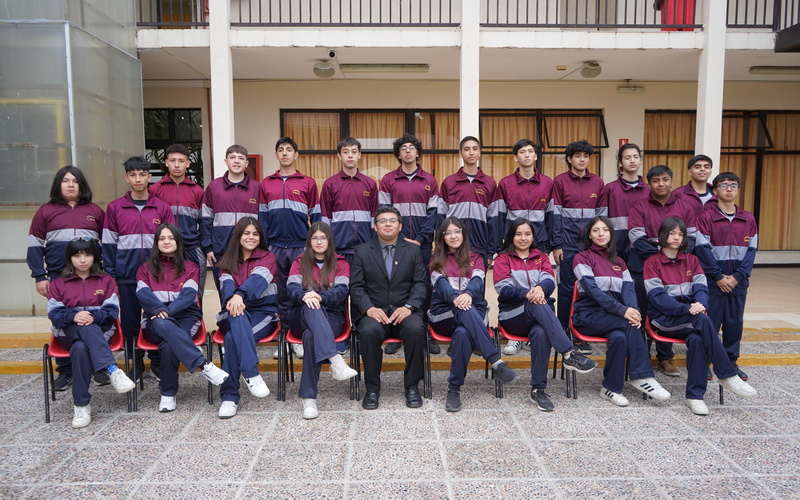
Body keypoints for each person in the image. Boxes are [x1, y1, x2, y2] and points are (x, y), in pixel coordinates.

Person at [644, 217, 757, 415]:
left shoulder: (692, 260)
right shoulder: (652, 263)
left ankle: (695, 397)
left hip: (690, 318)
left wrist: (701, 305)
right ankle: (726, 373)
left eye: (681, 234)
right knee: (703, 320)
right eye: (672, 233)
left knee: (697, 338)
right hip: (663, 320)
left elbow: (702, 290)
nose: (677, 237)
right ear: (663, 235)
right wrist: (687, 309)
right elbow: (658, 299)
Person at [494, 218, 597, 412]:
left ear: (533, 236)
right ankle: (569, 353)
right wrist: (527, 293)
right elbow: (504, 289)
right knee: (537, 304)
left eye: (527, 234)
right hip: (512, 316)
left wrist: (540, 288)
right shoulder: (503, 259)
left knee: (541, 333)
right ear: (511, 237)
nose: (523, 238)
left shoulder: (541, 257)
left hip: (539, 315)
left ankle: (538, 390)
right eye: (518, 234)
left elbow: (549, 281)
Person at [572, 216, 670, 406]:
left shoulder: (620, 262)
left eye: (605, 230)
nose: (601, 234)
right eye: (596, 230)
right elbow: (593, 291)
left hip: (615, 317)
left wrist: (634, 311)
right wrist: (623, 311)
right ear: (589, 235)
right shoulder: (581, 259)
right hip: (589, 316)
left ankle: (610, 388)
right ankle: (642, 376)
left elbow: (628, 290)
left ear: (611, 234)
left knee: (620, 337)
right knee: (628, 324)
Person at [135, 223, 229, 413]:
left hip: (186, 317)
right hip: (154, 319)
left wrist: (167, 311)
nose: (166, 242)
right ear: (156, 242)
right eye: (162, 238)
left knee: (169, 345)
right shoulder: (144, 269)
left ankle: (168, 394)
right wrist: (159, 309)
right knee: (161, 324)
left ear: (178, 241)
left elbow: (188, 295)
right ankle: (203, 364)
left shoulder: (191, 267)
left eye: (171, 238)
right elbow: (143, 294)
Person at [428, 217, 519, 412]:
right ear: (442, 237)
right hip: (444, 314)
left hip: (473, 312)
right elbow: (442, 286)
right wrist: (456, 298)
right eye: (448, 233)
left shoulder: (476, 258)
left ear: (463, 234)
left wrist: (468, 295)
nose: (453, 236)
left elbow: (478, 282)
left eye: (457, 231)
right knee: (464, 310)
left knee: (462, 333)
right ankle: (495, 361)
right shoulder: (436, 260)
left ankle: (454, 389)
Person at [28, 166, 106, 390]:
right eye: (65, 181)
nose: (70, 185)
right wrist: (39, 276)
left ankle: (98, 367)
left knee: (93, 317)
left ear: (82, 185)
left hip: (92, 276)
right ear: (58, 184)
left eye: (75, 181)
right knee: (61, 320)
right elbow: (34, 245)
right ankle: (65, 370)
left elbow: (108, 244)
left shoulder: (95, 211)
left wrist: (106, 273)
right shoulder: (45, 212)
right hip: (58, 277)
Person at [47, 239, 135, 428]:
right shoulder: (58, 283)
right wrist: (74, 316)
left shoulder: (106, 281)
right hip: (68, 332)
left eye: (87, 255)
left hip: (101, 332)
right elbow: (54, 315)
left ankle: (81, 405)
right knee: (83, 330)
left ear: (94, 257)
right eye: (77, 255)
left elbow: (111, 312)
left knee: (80, 348)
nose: (82, 260)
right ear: (69, 258)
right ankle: (112, 369)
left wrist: (92, 317)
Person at [103, 156, 175, 380]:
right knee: (130, 323)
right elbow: (108, 244)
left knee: (156, 318)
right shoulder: (115, 208)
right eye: (133, 175)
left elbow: (171, 243)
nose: (138, 179)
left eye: (142, 174)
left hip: (157, 277)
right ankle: (135, 362)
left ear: (149, 177)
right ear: (126, 177)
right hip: (127, 275)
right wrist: (111, 276)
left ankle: (156, 362)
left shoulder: (161, 208)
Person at [350, 206, 428, 410]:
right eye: (382, 221)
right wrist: (369, 309)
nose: (387, 224)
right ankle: (372, 389)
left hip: (405, 312)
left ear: (400, 226)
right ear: (375, 227)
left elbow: (421, 283)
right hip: (375, 313)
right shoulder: (362, 251)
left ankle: (412, 386)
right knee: (368, 331)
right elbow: (356, 287)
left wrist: (409, 307)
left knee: (416, 330)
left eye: (392, 220)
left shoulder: (413, 250)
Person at [628, 165, 696, 377]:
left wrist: (672, 259)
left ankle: (665, 358)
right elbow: (637, 238)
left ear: (672, 182)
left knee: (669, 310)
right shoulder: (639, 207)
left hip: (675, 272)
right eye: (656, 180)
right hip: (642, 269)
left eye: (665, 179)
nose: (661, 184)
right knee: (640, 314)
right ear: (649, 184)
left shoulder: (685, 208)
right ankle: (641, 359)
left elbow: (691, 239)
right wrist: (661, 257)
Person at [287, 222, 358, 419]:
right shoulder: (299, 262)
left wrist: (320, 297)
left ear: (329, 240)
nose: (319, 242)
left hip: (332, 317)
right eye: (315, 238)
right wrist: (305, 296)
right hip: (301, 315)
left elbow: (342, 291)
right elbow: (292, 289)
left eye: (323, 238)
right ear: (309, 241)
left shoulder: (341, 263)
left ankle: (308, 399)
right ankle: (335, 359)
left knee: (311, 337)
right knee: (311, 307)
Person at [378, 134, 441, 355]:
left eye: (411, 147)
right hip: (396, 243)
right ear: (398, 153)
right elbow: (385, 212)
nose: (407, 151)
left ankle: (424, 331)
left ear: (417, 152)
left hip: (422, 245)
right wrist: (402, 237)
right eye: (403, 148)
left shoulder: (430, 181)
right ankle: (397, 331)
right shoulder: (388, 180)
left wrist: (420, 239)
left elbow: (434, 214)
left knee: (424, 286)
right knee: (397, 285)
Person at [259, 136, 320, 360]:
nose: (285, 153)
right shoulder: (266, 183)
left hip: (300, 248)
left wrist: (315, 246)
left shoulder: (307, 182)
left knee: (300, 293)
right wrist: (264, 248)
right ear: (276, 155)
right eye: (281, 150)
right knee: (280, 295)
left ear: (296, 155)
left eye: (289, 150)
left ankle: (299, 338)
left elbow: (317, 217)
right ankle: (284, 339)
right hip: (275, 248)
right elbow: (263, 219)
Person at [214, 217, 279, 419]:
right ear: (238, 236)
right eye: (246, 233)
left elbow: (257, 281)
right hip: (232, 312)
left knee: (232, 339)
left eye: (255, 234)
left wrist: (239, 295)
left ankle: (229, 397)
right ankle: (250, 372)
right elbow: (226, 288)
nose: (251, 237)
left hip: (263, 313)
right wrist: (234, 299)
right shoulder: (226, 261)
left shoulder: (267, 258)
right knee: (237, 313)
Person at [695, 172, 757, 381]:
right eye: (723, 185)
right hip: (713, 282)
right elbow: (702, 249)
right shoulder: (706, 217)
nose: (729, 189)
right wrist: (718, 276)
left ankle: (731, 363)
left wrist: (738, 276)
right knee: (709, 324)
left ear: (738, 189)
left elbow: (752, 251)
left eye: (733, 185)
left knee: (734, 324)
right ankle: (704, 363)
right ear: (715, 190)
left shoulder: (748, 218)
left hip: (738, 283)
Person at [320, 137, 377, 354]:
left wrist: (373, 248)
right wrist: (328, 249)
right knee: (339, 295)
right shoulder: (330, 184)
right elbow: (325, 220)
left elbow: (374, 220)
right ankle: (340, 337)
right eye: (346, 152)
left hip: (364, 250)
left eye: (354, 151)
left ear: (360, 155)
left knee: (363, 292)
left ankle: (362, 335)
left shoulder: (370, 184)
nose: (350, 155)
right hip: (339, 251)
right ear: (339, 155)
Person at [497, 139, 554, 355]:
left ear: (536, 156)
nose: (527, 155)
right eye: (522, 152)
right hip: (513, 245)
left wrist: (553, 243)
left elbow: (552, 216)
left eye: (531, 151)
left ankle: (532, 333)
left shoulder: (548, 183)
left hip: (539, 244)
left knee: (538, 284)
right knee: (514, 283)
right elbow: (499, 216)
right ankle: (514, 337)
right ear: (516, 157)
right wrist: (500, 245)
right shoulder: (505, 184)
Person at [549, 140, 605, 354]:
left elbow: (602, 217)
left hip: (591, 247)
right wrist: (557, 244)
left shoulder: (598, 183)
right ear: (569, 159)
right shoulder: (560, 182)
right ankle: (564, 331)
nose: (582, 159)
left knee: (588, 289)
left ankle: (582, 330)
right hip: (567, 246)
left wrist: (600, 245)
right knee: (566, 289)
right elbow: (555, 216)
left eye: (585, 156)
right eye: (578, 156)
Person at [149, 144, 208, 302]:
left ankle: (195, 318)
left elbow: (204, 223)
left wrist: (203, 246)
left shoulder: (198, 191)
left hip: (191, 248)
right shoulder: (155, 190)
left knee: (195, 292)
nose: (176, 165)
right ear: (166, 162)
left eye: (181, 161)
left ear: (187, 163)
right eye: (172, 160)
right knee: (163, 291)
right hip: (164, 249)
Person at [201, 144, 260, 294]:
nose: (236, 161)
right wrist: (208, 247)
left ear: (246, 163)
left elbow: (263, 221)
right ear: (226, 161)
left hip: (249, 252)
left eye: (241, 158)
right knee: (225, 294)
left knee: (247, 294)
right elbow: (206, 219)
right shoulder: (214, 187)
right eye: (232, 157)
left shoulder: (257, 188)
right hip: (221, 251)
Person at [439, 136, 502, 267]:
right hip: (452, 247)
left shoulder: (489, 183)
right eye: (467, 149)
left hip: (480, 247)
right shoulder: (448, 183)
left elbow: (494, 220)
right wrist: (440, 250)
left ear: (480, 152)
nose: (471, 153)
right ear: (460, 153)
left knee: (477, 280)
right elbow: (440, 219)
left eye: (475, 149)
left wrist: (490, 252)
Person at [597, 143, 650, 263]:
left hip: (643, 248)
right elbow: (602, 218)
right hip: (615, 248)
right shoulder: (610, 189)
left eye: (636, 157)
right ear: (620, 163)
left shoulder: (648, 190)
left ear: (640, 161)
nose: (632, 161)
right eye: (627, 157)